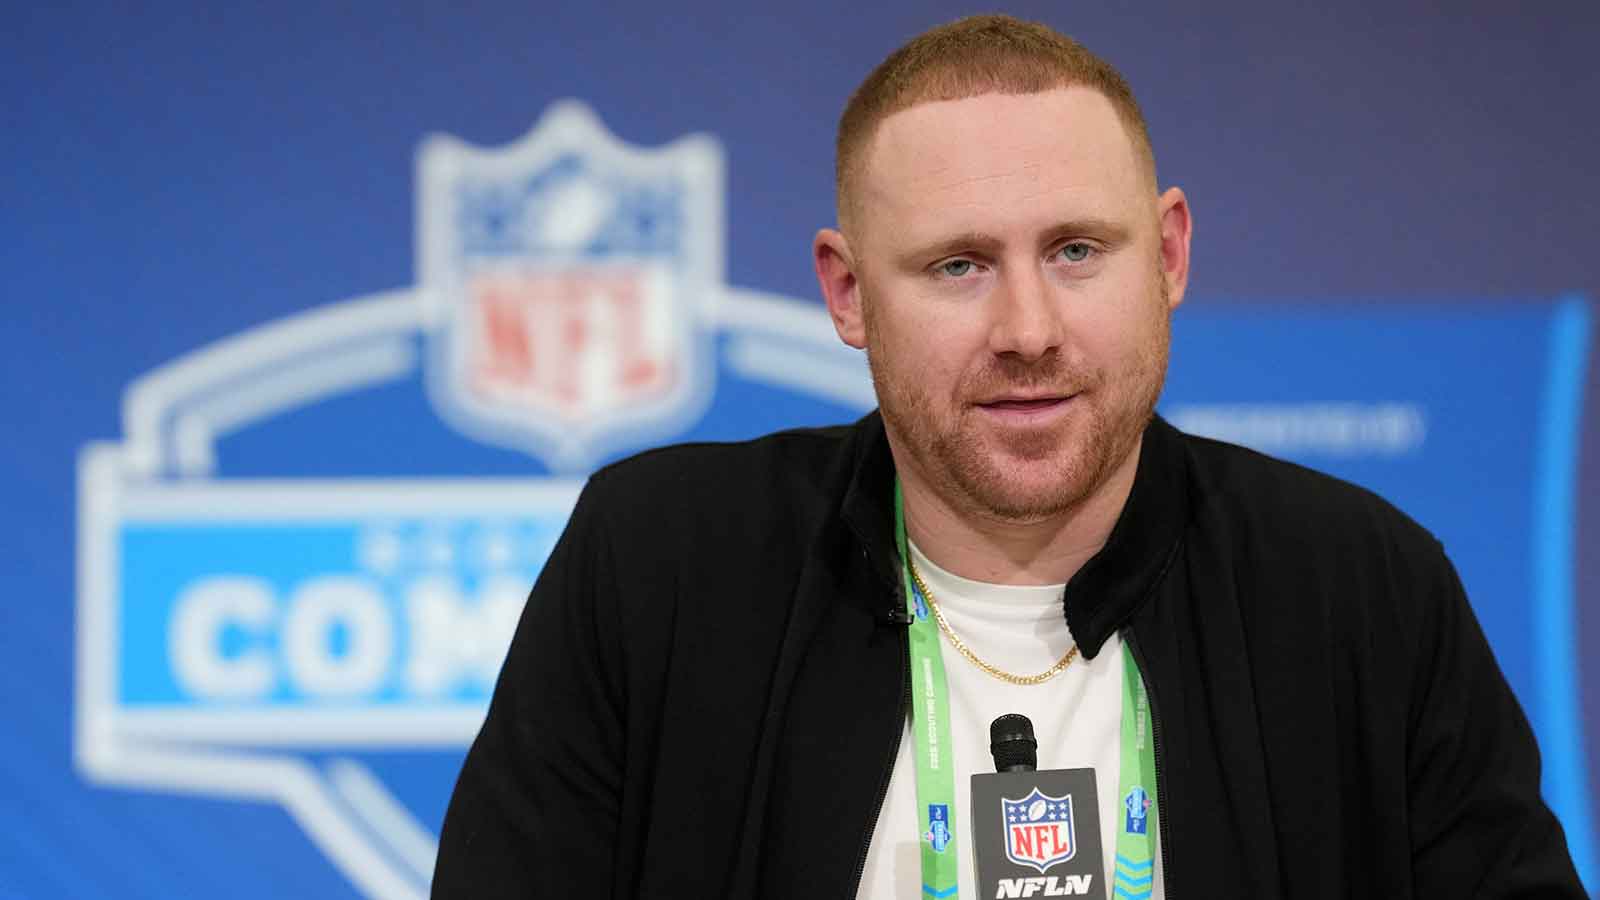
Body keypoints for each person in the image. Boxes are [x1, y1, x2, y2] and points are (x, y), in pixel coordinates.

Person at [433, 14, 1584, 899]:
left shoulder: (1360, 588)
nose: (1029, 330)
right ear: (845, 292)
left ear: (1170, 256)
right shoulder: (659, 565)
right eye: (957, 266)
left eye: (1078, 250)